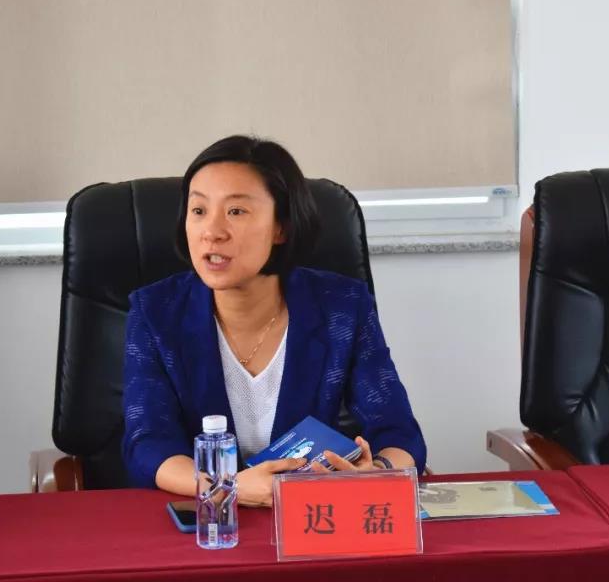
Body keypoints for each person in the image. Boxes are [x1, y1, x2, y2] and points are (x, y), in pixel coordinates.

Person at [122, 135, 426, 506]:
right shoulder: (156, 312)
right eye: (198, 210)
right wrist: (227, 486)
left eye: (236, 211)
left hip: (312, 516)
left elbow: (399, 431)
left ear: (281, 226)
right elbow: (147, 443)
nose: (211, 231)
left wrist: (376, 470)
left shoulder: (342, 307)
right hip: (210, 519)